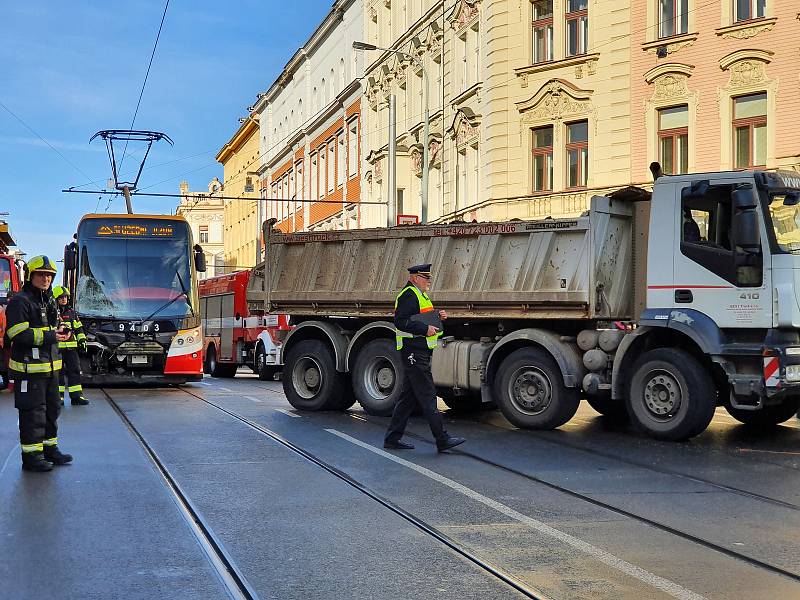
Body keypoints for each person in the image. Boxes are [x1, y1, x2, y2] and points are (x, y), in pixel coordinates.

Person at [384, 264, 466, 453]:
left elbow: (421, 317)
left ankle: (392, 438)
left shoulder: (419, 294)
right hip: (413, 351)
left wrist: (438, 316)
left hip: (419, 350)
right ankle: (442, 439)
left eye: (429, 278)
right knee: (428, 395)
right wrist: (425, 329)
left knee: (407, 399)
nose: (429, 281)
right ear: (414, 278)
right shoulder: (408, 295)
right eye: (425, 277)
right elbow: (401, 322)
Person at [6, 255, 73, 472]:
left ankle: (49, 450)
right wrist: (52, 335)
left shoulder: (48, 300)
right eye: (41, 275)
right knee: (33, 413)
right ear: (31, 276)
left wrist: (61, 330)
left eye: (49, 276)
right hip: (29, 370)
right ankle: (31, 457)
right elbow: (17, 333)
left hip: (51, 368)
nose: (46, 279)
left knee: (52, 411)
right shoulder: (20, 301)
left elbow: (53, 326)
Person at [53, 285, 89, 406]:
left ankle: (77, 396)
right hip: (57, 350)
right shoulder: (52, 313)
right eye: (61, 297)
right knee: (59, 373)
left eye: (66, 297)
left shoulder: (72, 313)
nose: (64, 299)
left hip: (71, 349)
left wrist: (82, 340)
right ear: (56, 298)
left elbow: (78, 329)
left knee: (75, 371)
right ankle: (59, 398)